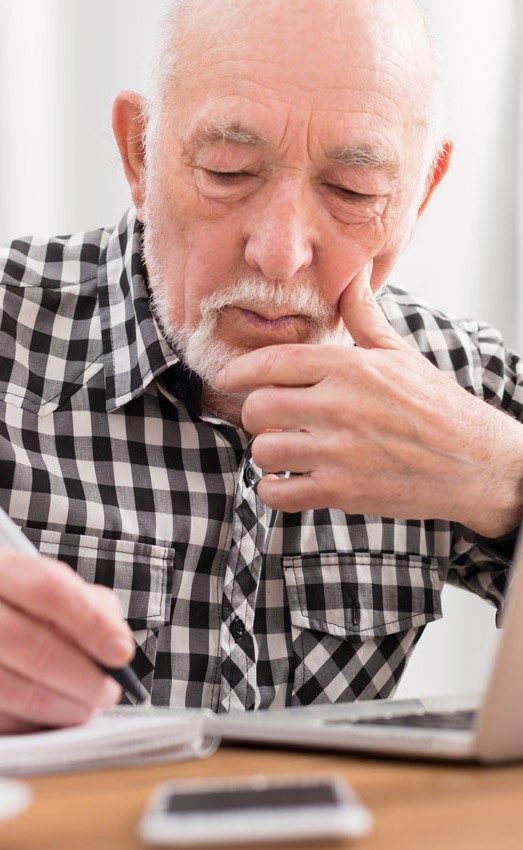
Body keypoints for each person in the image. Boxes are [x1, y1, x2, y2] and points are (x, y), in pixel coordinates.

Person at [1, 0, 522, 735]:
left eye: (352, 191)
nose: (280, 253)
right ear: (139, 153)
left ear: (420, 193)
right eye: (229, 171)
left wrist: (499, 474)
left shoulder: (457, 383)